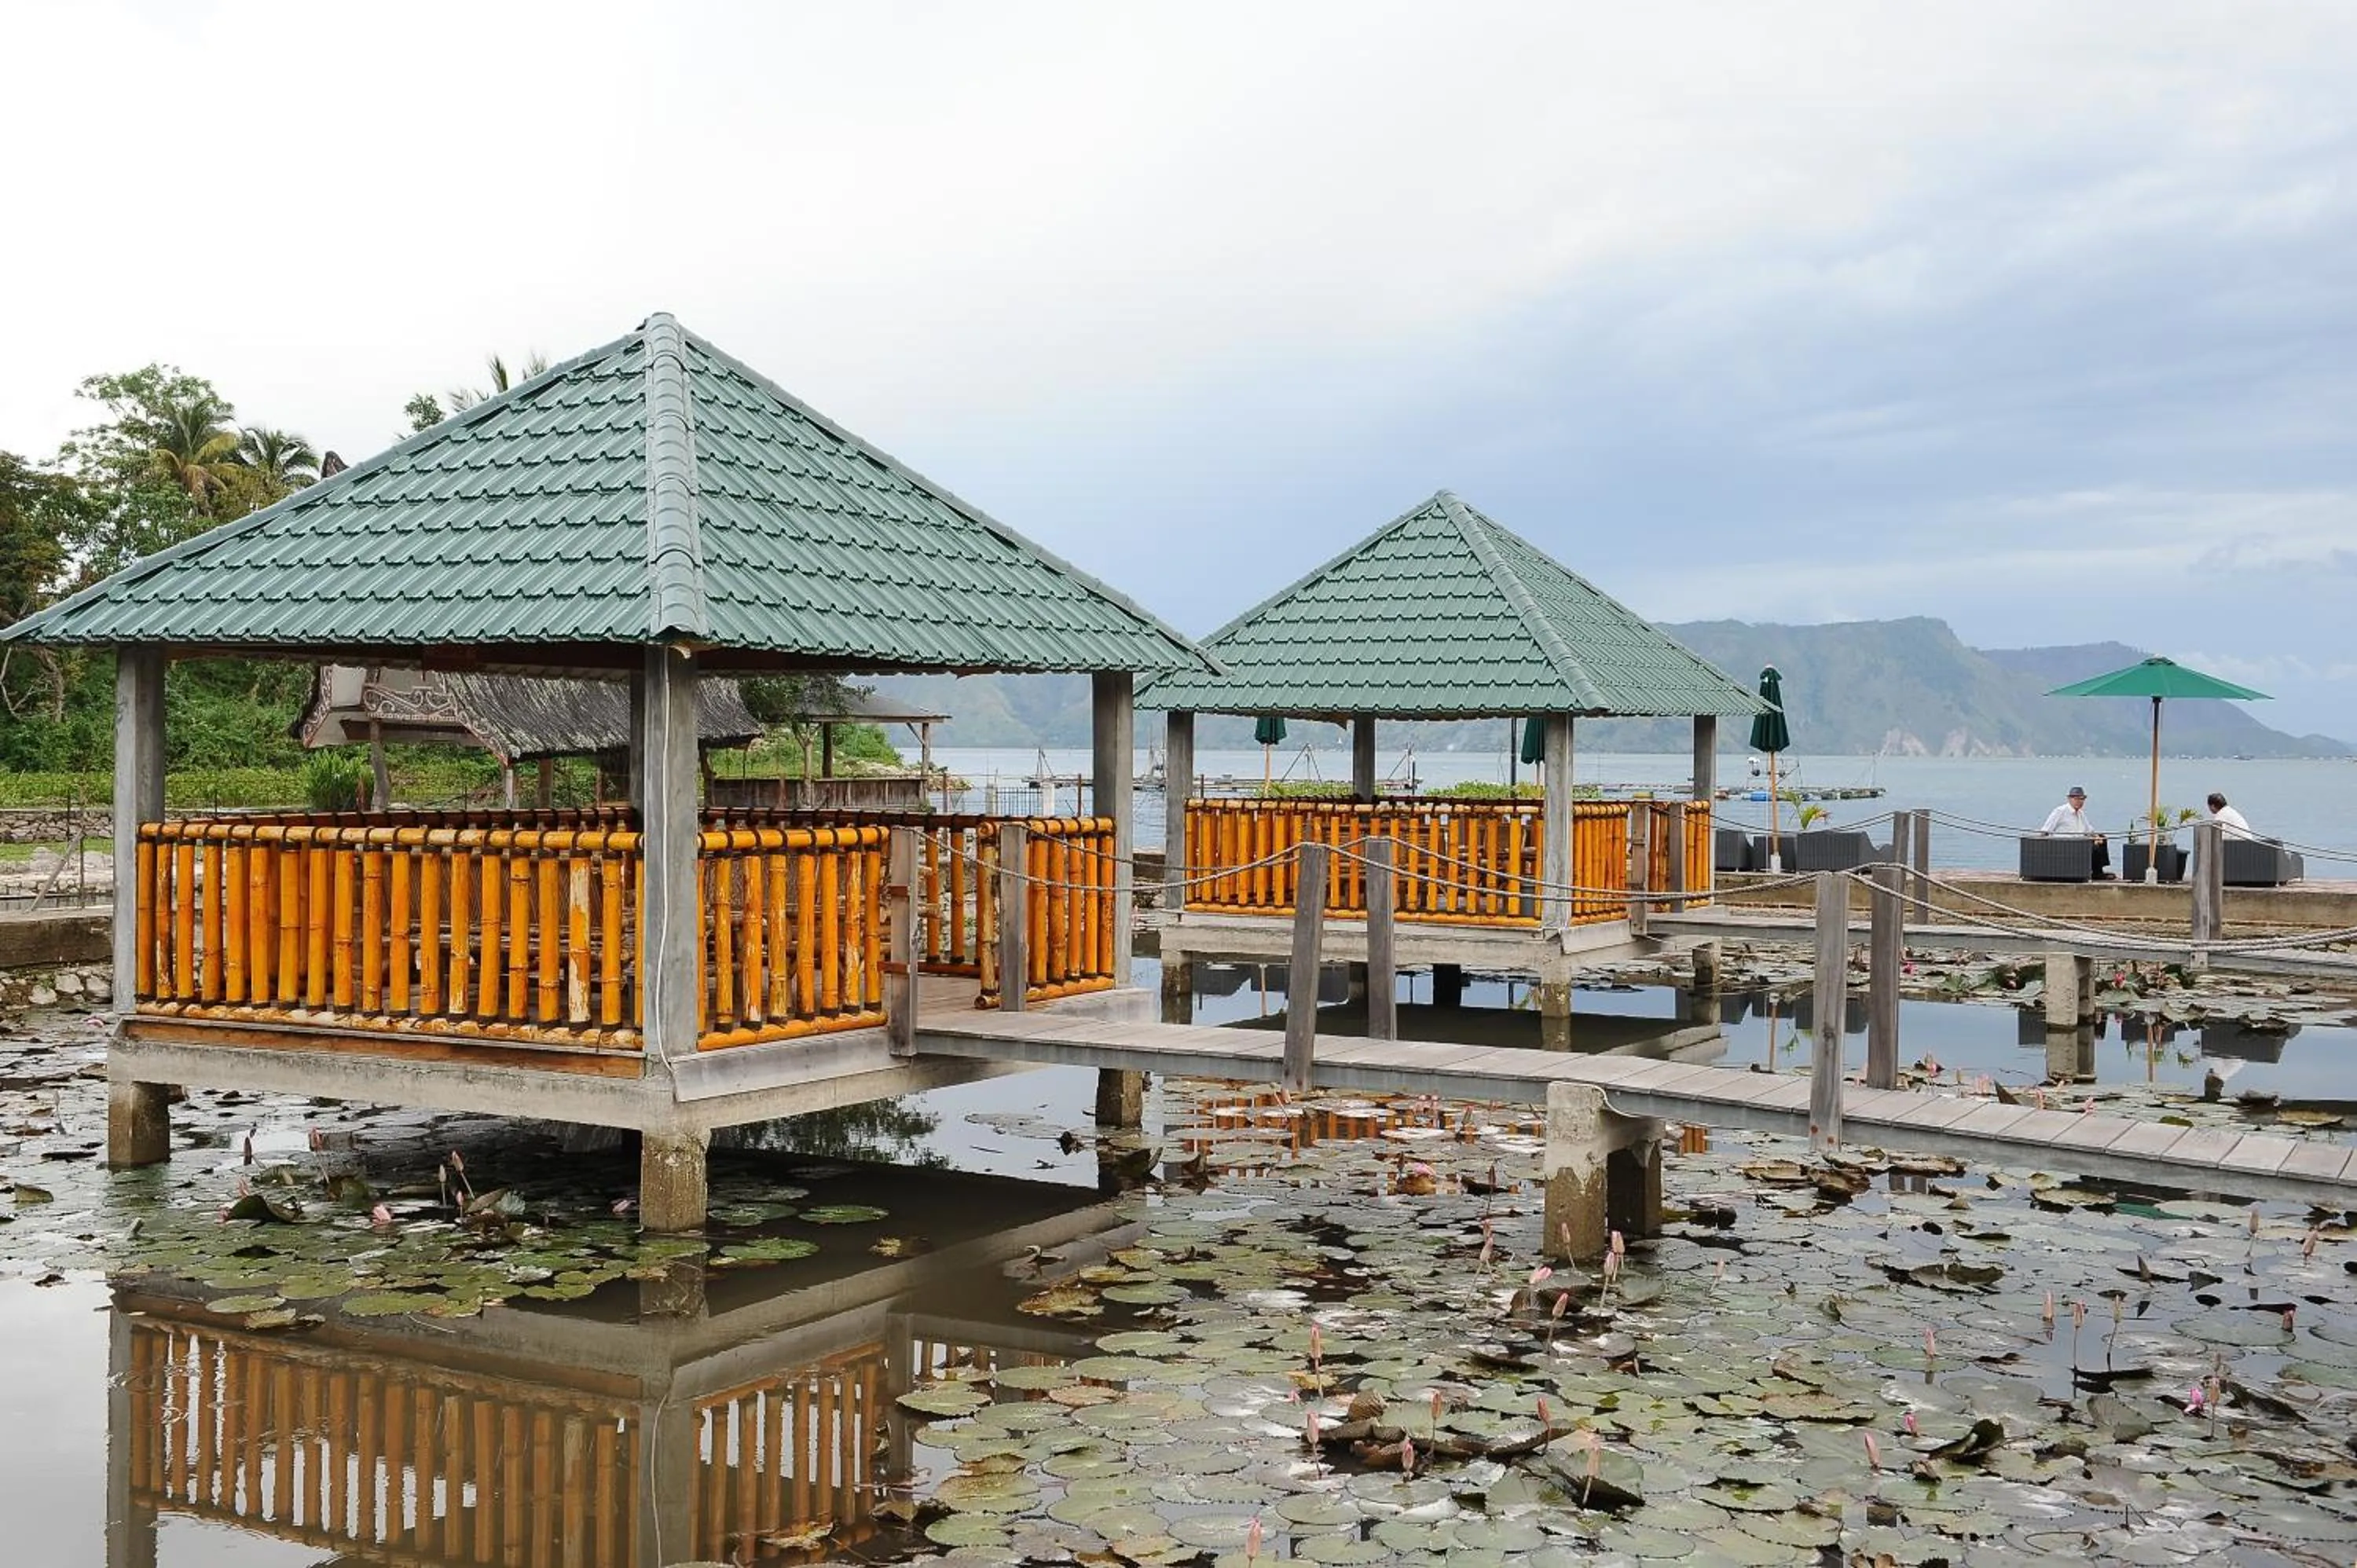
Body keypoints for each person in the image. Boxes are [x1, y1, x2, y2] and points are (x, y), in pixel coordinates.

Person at [2039, 786, 2111, 878]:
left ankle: (2098, 871)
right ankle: (2097, 873)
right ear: (2070, 799)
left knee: (2102, 838)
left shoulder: (2081, 814)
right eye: (2076, 799)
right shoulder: (2060, 811)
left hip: (2080, 843)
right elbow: (2046, 830)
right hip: (2065, 845)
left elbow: (2089, 830)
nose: (2079, 801)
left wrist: (2097, 837)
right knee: (2094, 848)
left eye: (2081, 799)